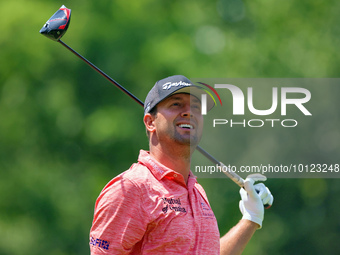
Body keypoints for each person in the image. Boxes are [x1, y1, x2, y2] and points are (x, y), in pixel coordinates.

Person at [89, 75, 274, 255]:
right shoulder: (132, 188)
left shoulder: (197, 193)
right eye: (176, 104)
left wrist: (251, 219)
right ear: (150, 122)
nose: (189, 112)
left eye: (195, 107)